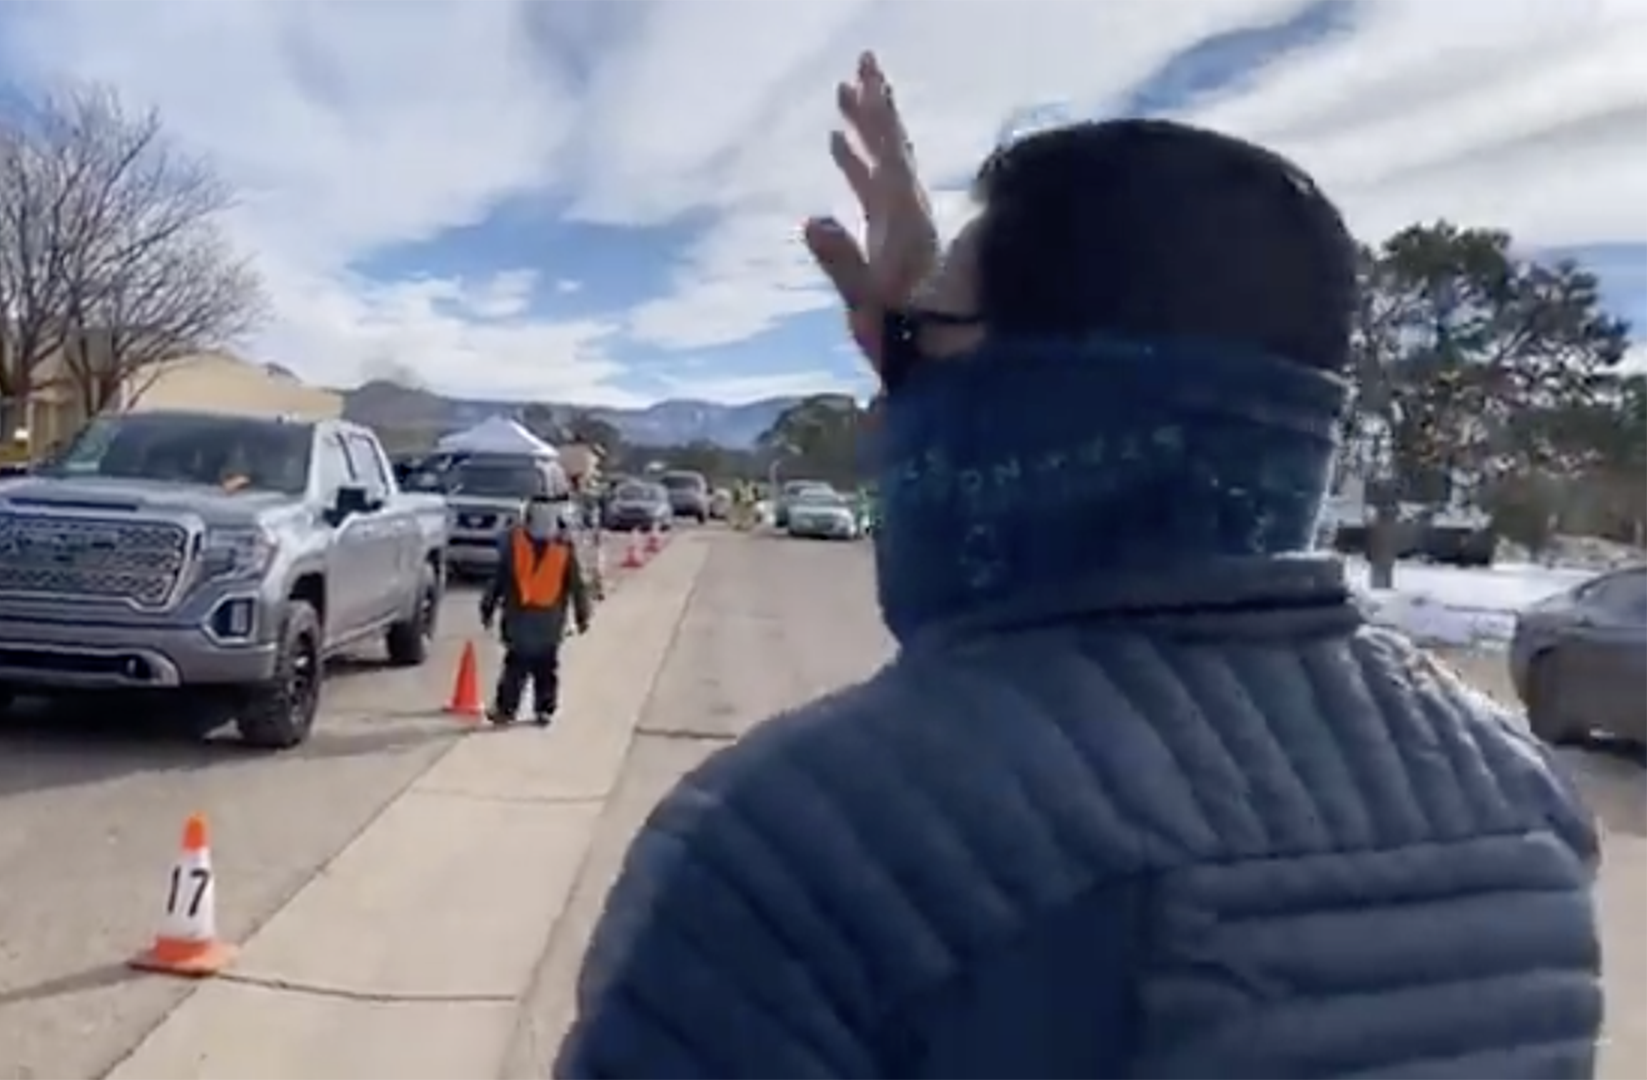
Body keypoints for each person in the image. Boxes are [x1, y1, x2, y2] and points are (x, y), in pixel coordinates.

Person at [554, 52, 1602, 1078]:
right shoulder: (1521, 799)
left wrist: (955, 400)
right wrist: (950, 361)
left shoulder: (799, 848)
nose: (886, 417)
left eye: (916, 355)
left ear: (1047, 395)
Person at [479, 493, 592, 726]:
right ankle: (540, 709)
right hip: (545, 623)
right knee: (541, 669)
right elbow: (577, 586)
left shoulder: (517, 543)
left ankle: (509, 710)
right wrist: (583, 616)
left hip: (522, 622)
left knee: (519, 668)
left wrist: (487, 608)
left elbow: (498, 582)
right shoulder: (562, 547)